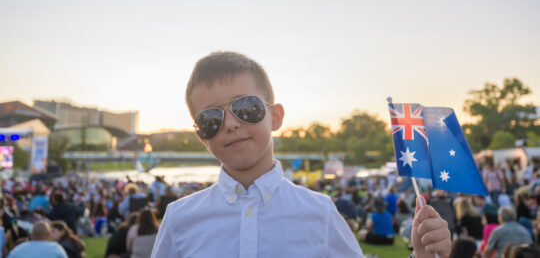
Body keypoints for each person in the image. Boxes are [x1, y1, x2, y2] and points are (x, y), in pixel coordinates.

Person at [151, 51, 452, 257]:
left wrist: (422, 255)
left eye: (245, 108)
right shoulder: (179, 219)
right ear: (202, 138)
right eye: (210, 119)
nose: (230, 124)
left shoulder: (320, 213)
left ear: (276, 117)